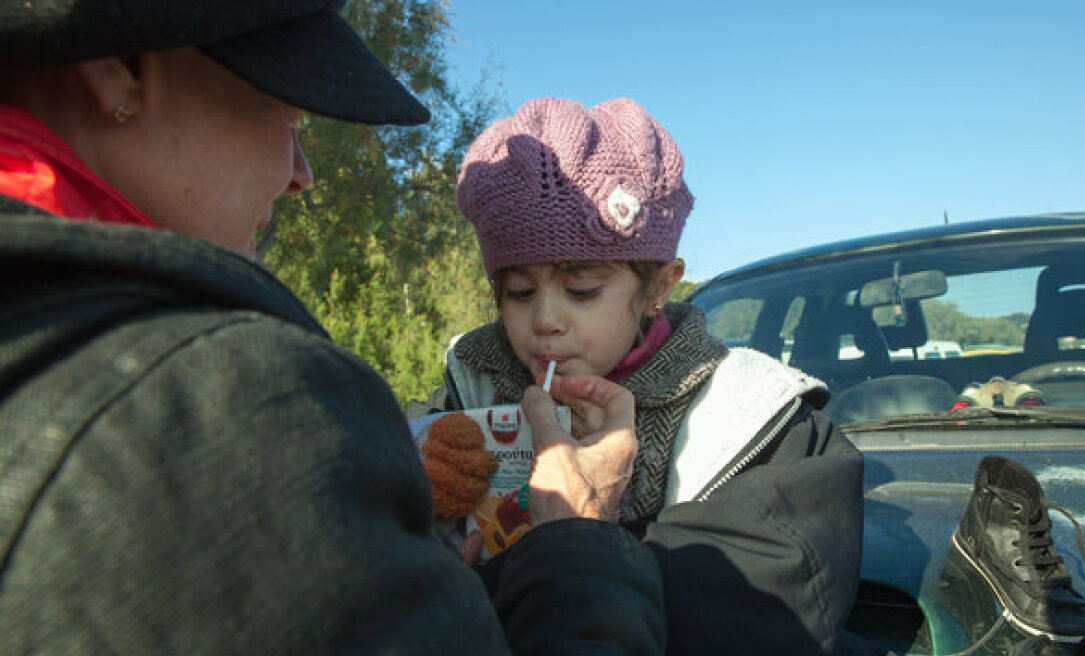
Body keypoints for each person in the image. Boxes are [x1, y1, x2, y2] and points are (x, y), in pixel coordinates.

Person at [0, 2, 666, 655]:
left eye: (582, 288)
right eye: (290, 113)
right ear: (120, 65)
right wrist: (576, 537)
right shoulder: (218, 402)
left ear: (658, 290)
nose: (302, 174)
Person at [430, 97, 865, 655]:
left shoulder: (760, 422)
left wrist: (499, 576)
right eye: (518, 292)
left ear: (658, 287)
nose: (545, 320)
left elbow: (750, 612)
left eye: (582, 289)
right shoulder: (467, 389)